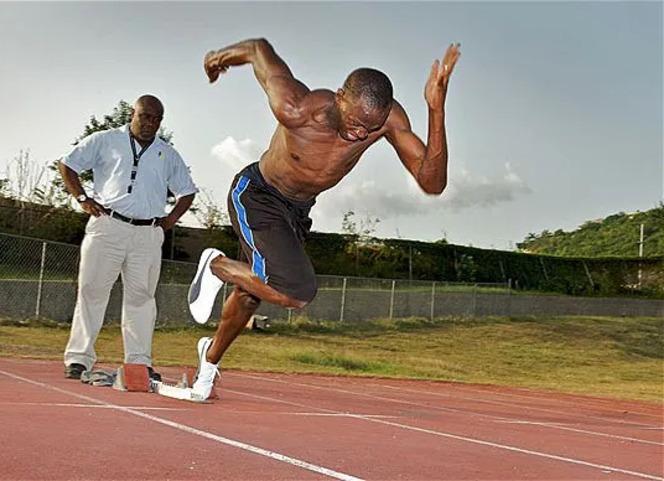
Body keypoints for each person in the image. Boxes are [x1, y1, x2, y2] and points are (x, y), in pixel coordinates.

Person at [187, 38, 460, 399]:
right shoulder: (296, 107)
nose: (361, 134)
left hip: (298, 212)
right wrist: (216, 59)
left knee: (251, 293)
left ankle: (208, 362)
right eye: (356, 123)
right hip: (258, 194)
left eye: (370, 129)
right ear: (339, 97)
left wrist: (435, 110)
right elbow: (257, 49)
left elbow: (432, 183)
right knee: (294, 290)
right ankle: (216, 266)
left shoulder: (388, 120)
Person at [61, 95, 198, 380]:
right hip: (107, 225)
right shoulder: (105, 140)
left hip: (148, 234)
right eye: (145, 116)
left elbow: (187, 191)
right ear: (132, 114)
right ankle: (79, 359)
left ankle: (139, 362)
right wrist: (82, 198)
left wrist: (169, 220)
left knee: (142, 298)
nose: (151, 123)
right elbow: (68, 164)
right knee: (92, 291)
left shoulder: (167, 153)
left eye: (157, 119)